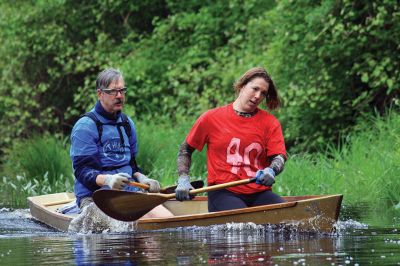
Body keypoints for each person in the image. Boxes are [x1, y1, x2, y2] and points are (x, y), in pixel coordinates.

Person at [175, 67, 287, 212]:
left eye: (263, 93)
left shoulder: (270, 123)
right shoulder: (211, 118)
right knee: (245, 225)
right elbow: (185, 149)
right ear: (242, 86)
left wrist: (271, 170)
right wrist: (183, 179)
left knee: (287, 217)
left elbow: (279, 157)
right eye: (255, 89)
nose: (258, 96)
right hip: (223, 192)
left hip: (259, 192)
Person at [70, 67, 172, 218]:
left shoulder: (126, 123)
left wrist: (143, 178)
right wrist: (108, 180)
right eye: (113, 92)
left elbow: (131, 164)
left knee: (166, 219)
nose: (119, 96)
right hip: (95, 196)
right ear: (100, 94)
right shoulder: (85, 126)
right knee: (126, 227)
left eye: (122, 91)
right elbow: (82, 171)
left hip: (128, 192)